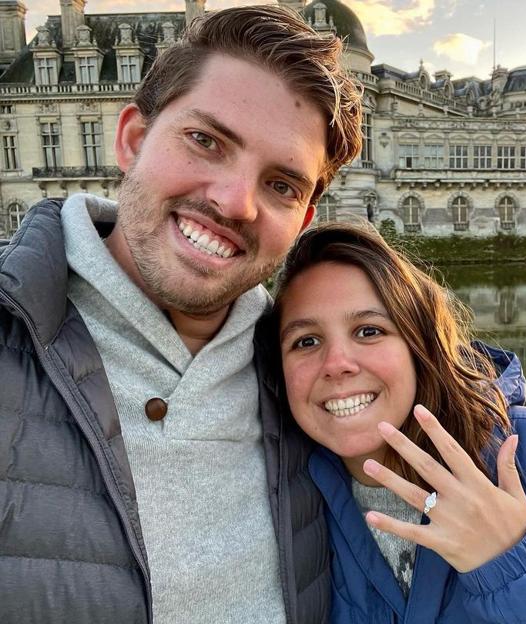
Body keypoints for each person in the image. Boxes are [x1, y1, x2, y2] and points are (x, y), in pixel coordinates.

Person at [0, 7, 362, 624]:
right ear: (132, 139)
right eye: (206, 141)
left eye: (281, 185)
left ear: (303, 220)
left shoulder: (312, 382)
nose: (234, 202)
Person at [273, 222, 526, 623]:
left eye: (369, 331)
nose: (336, 364)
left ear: (420, 346)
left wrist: (512, 564)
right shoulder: (280, 492)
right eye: (305, 341)